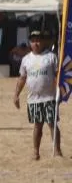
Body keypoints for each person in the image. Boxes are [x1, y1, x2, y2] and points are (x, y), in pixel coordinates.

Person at [14, 30, 62, 160]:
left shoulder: (51, 57)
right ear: (30, 43)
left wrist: (60, 91)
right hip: (34, 99)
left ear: (43, 42)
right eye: (34, 40)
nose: (36, 43)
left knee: (52, 124)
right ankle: (36, 152)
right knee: (37, 126)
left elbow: (58, 76)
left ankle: (57, 151)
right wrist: (16, 95)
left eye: (39, 40)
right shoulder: (26, 59)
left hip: (50, 97)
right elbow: (22, 78)